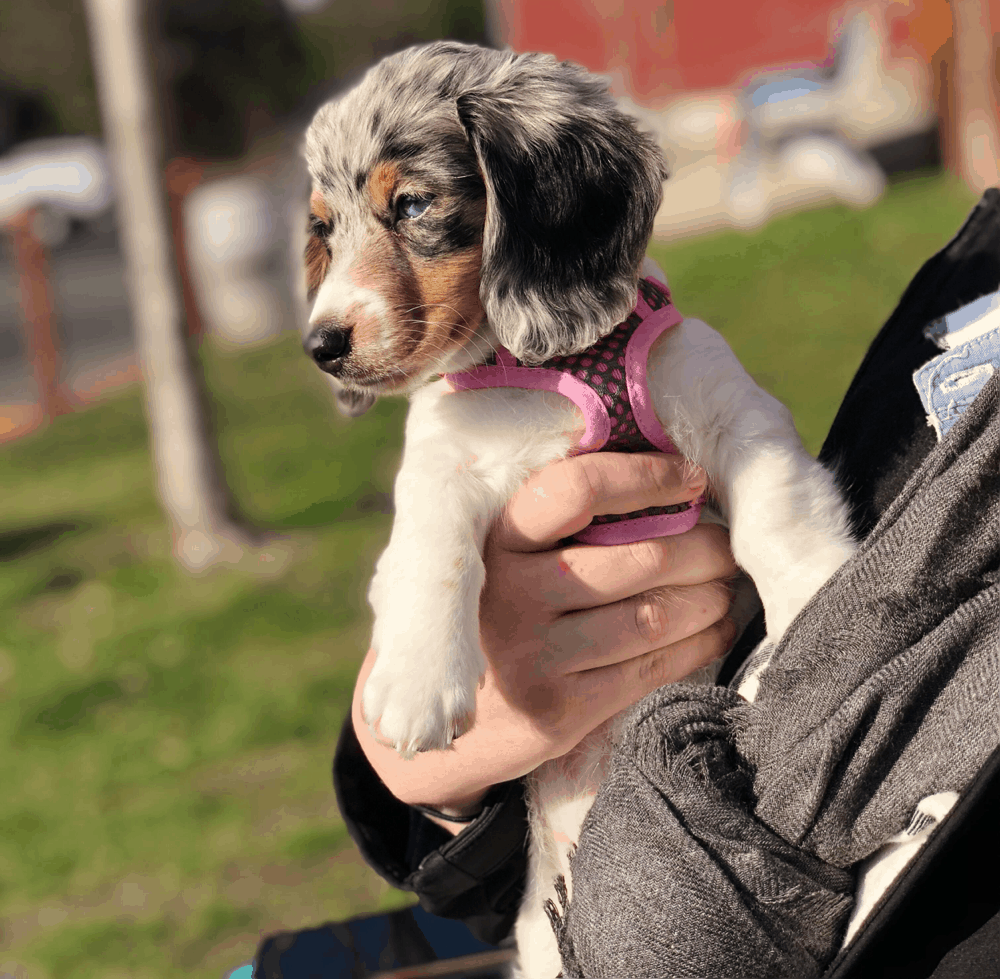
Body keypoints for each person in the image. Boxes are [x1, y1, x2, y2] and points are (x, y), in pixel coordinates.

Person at [254, 188, 1000, 978]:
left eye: (409, 206)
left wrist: (825, 637)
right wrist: (444, 781)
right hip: (577, 883)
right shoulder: (975, 274)